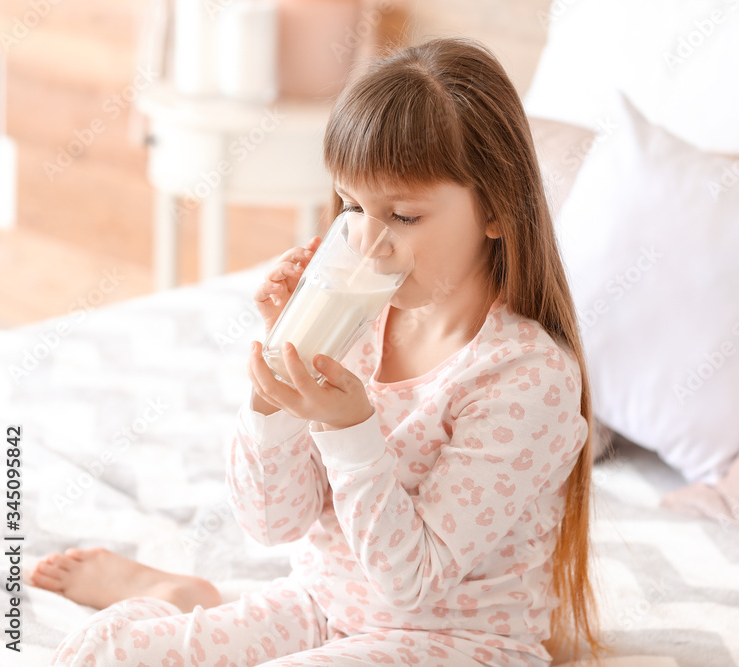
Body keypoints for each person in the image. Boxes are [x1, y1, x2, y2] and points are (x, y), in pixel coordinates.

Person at [30, 37, 603, 666]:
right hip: (322, 608)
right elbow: (273, 523)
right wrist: (278, 376)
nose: (368, 241)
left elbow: (412, 585)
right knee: (100, 655)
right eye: (354, 206)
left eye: (404, 216)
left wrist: (350, 430)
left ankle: (187, 596)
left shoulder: (527, 378)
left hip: (452, 644)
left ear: (497, 209)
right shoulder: (355, 323)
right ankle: (179, 595)